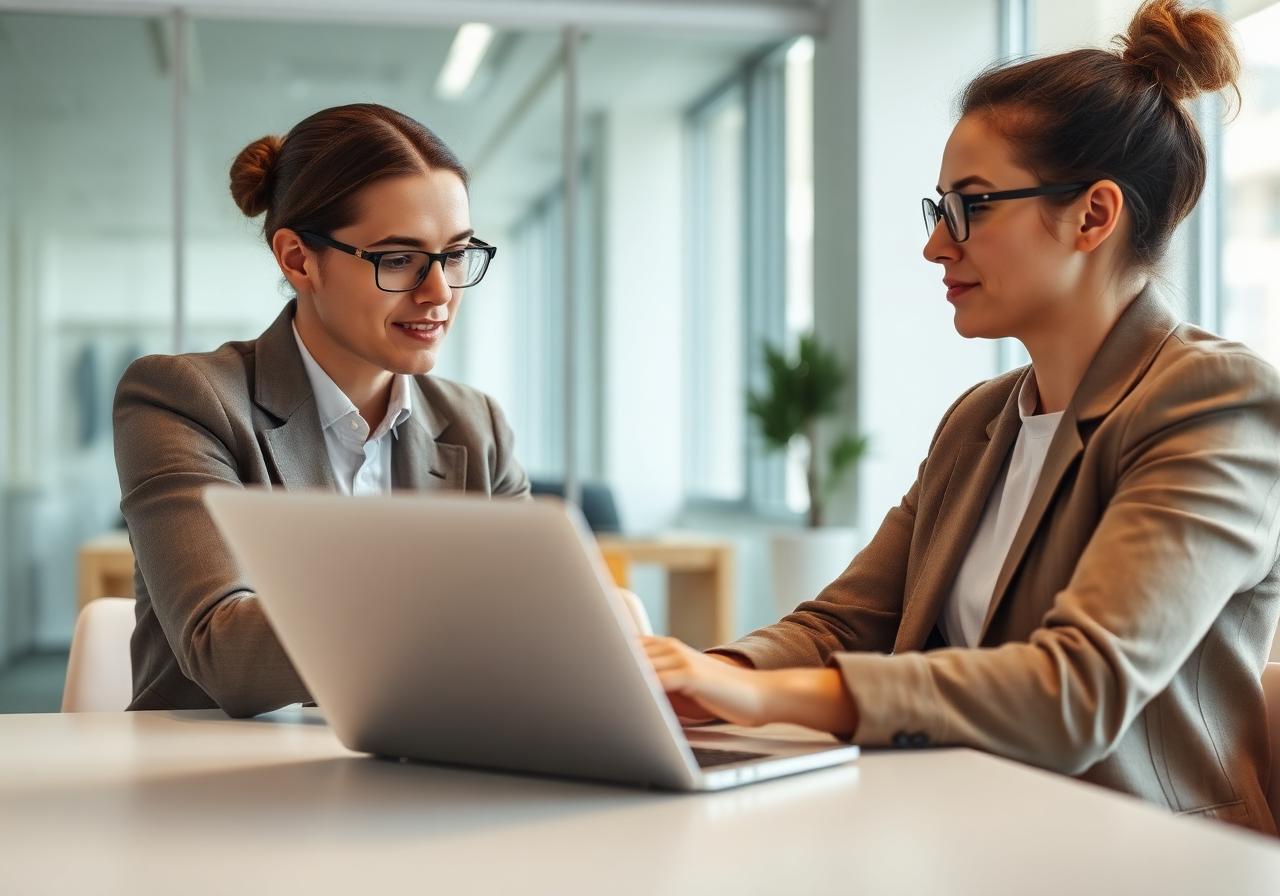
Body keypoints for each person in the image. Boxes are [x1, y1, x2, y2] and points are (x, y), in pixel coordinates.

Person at [643, 0, 1280, 834]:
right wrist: (694, 677)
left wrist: (757, 695)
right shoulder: (983, 420)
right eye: (938, 208)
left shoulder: (1215, 402)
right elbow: (847, 624)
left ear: (1093, 215)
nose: (937, 245)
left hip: (1141, 853)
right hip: (959, 830)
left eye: (971, 206)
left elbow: (1075, 691)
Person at [114, 103, 530, 718]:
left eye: (455, 254)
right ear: (298, 259)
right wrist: (462, 606)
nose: (439, 291)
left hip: (426, 776)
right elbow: (224, 649)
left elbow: (530, 633)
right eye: (398, 259)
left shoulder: (478, 426)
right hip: (216, 787)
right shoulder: (184, 398)